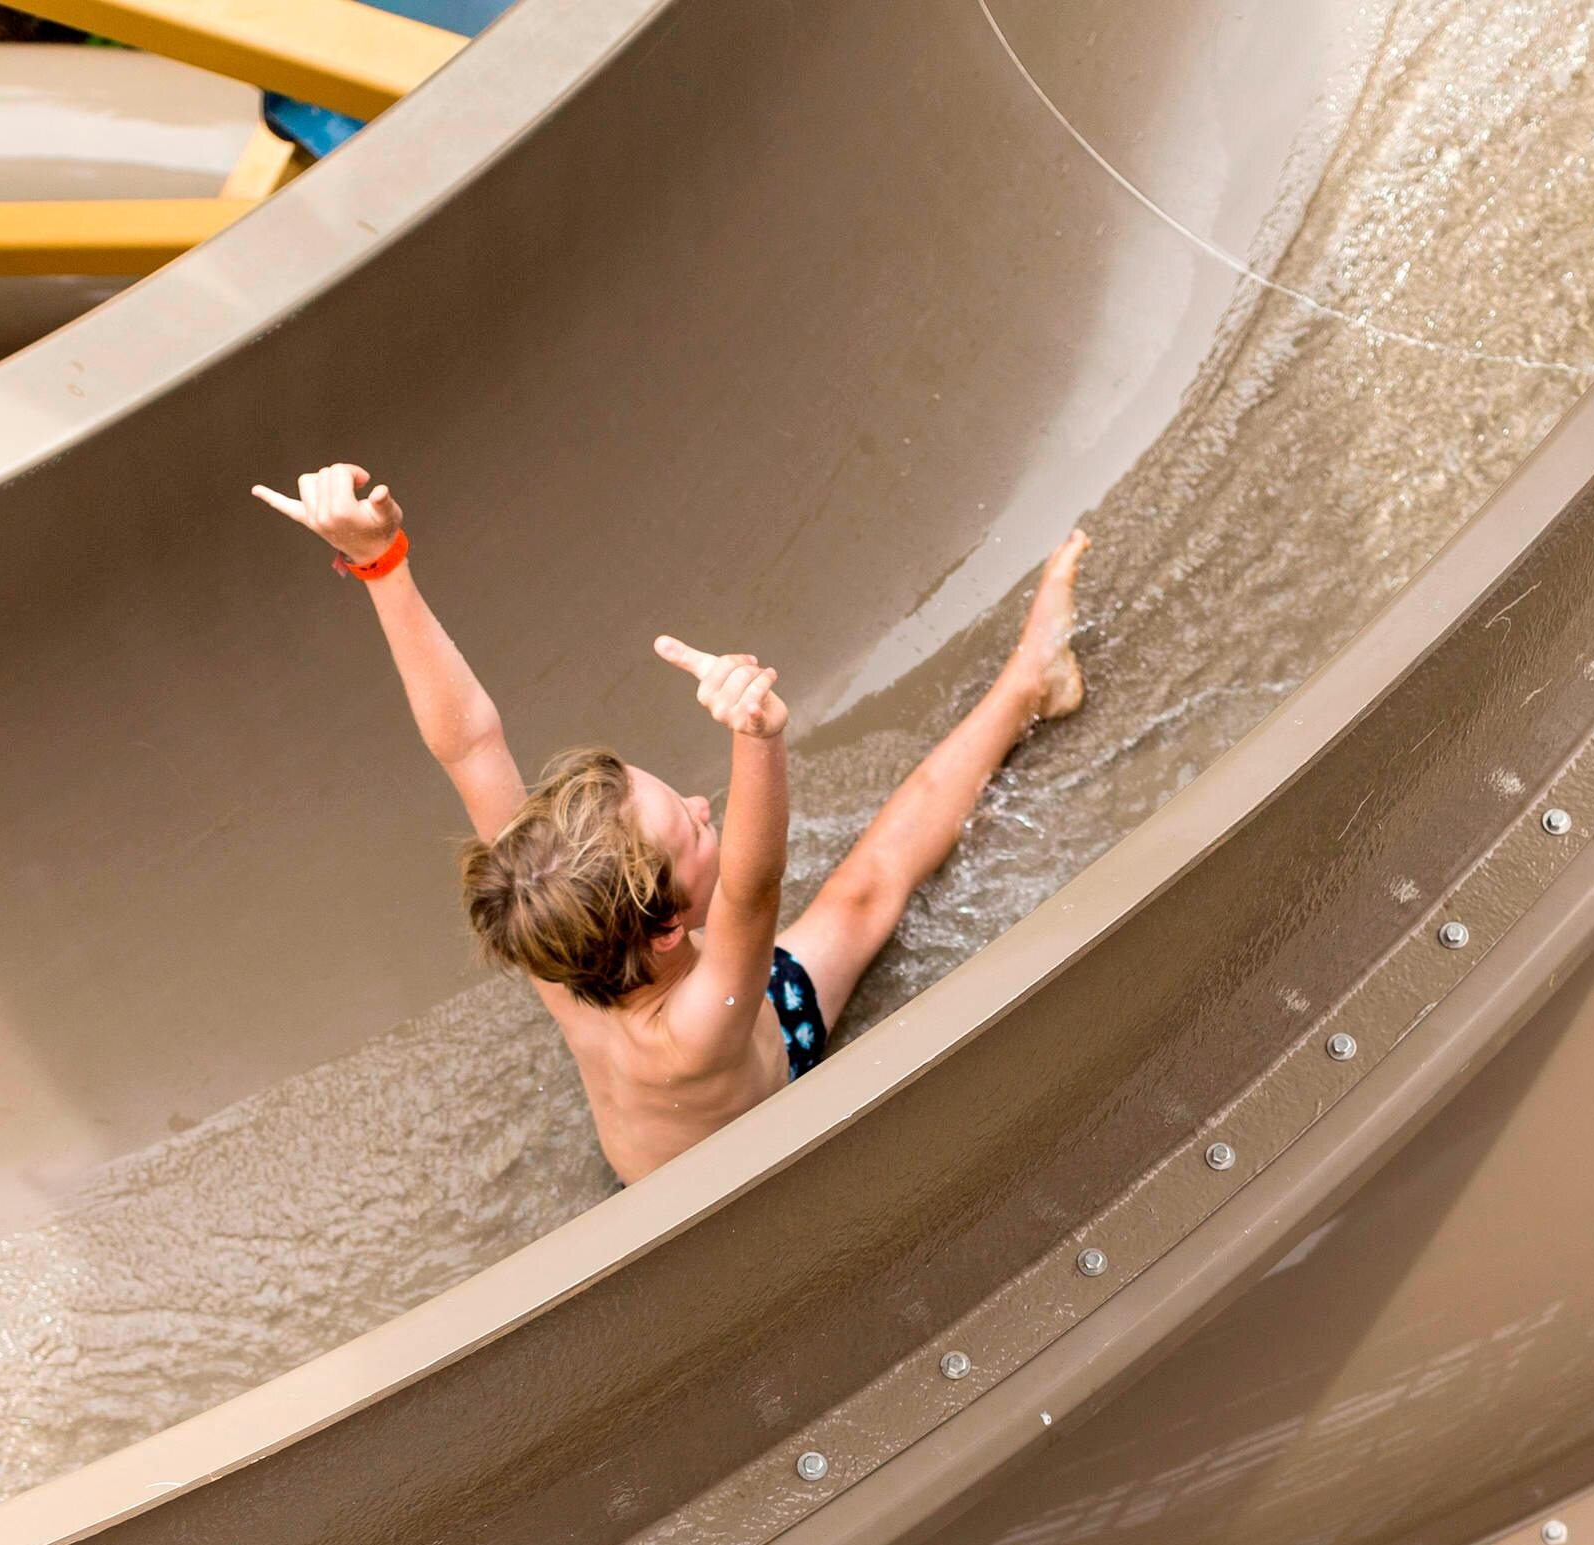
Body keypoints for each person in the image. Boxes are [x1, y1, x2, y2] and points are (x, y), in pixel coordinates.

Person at [255, 460, 1087, 1184]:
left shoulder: (552, 935)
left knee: (867, 890)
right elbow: (754, 891)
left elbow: (470, 744)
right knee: (867, 892)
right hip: (752, 1104)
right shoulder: (697, 1025)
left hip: (707, 1084)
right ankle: (1028, 683)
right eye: (693, 831)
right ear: (662, 929)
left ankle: (1029, 682)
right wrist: (757, 739)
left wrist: (384, 566)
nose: (702, 807)